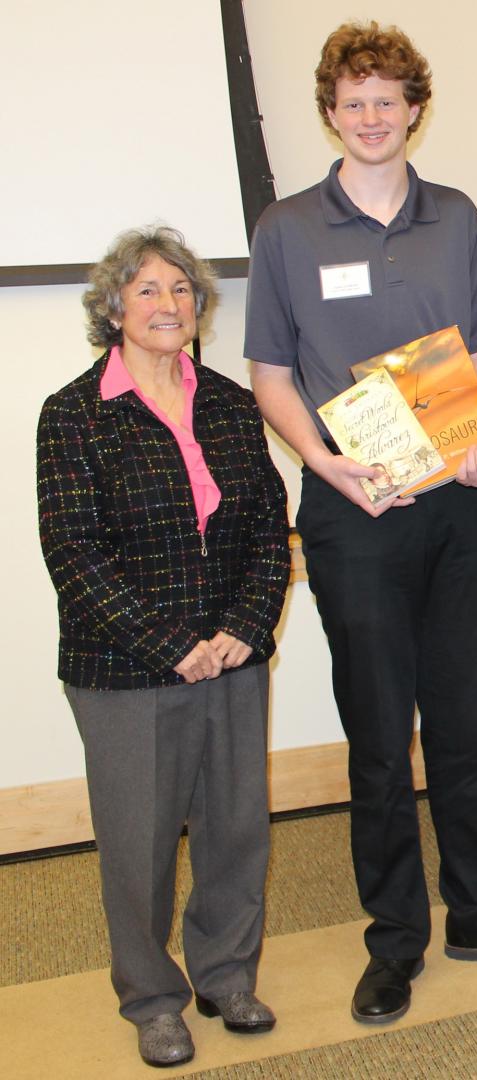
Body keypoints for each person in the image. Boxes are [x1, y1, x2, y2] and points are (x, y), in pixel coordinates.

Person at [244, 21, 477, 1026]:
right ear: (330, 114)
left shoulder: (458, 216)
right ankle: (394, 941)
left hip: (461, 509)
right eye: (353, 101)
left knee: (469, 727)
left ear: (414, 108)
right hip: (355, 517)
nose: (372, 116)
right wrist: (328, 467)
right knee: (381, 740)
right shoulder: (286, 230)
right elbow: (269, 374)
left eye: (388, 98)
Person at [37, 227, 289, 1068]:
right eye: (147, 290)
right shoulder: (74, 414)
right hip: (125, 670)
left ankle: (225, 974)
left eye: (180, 290)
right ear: (114, 308)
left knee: (235, 828)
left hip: (231, 654)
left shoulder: (227, 402)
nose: (167, 304)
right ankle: (151, 997)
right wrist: (169, 644)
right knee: (139, 840)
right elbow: (73, 551)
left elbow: (263, 526)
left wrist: (244, 630)